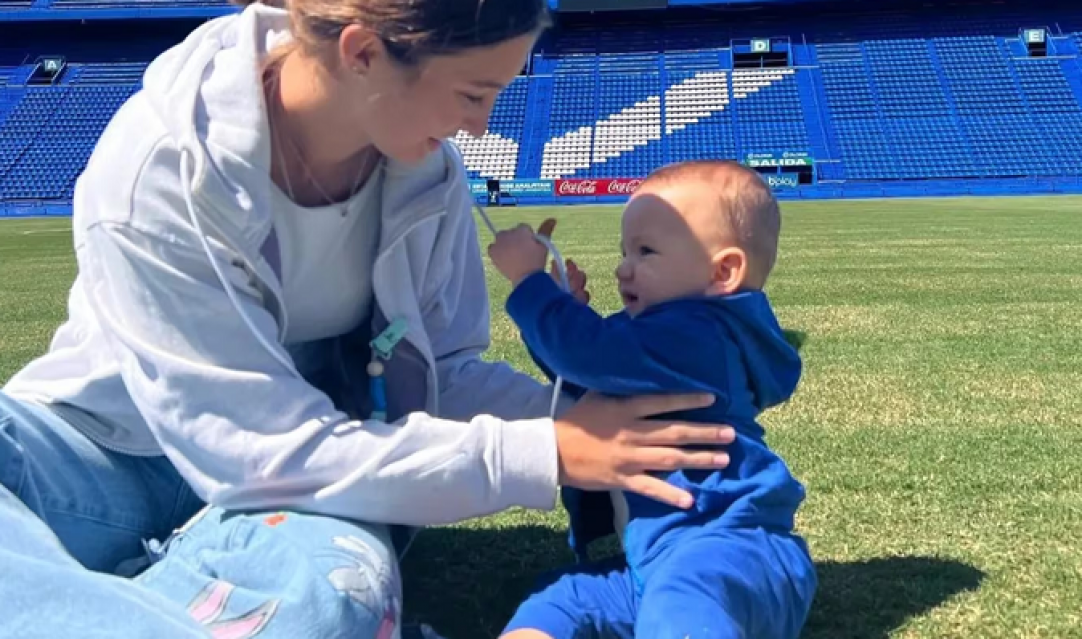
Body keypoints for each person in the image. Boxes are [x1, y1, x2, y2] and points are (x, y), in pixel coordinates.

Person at [0, 2, 739, 637]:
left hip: (302, 488)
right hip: (108, 452)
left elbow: (441, 373)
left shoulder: (430, 175)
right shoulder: (164, 164)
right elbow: (255, 449)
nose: (481, 128)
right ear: (362, 53)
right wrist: (541, 452)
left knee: (331, 604)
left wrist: (587, 418)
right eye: (474, 93)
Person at [486, 160, 818, 639]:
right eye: (625, 250)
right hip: (655, 562)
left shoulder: (702, 335)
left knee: (682, 604)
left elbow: (586, 355)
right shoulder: (663, 338)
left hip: (729, 550)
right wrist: (568, 311)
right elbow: (583, 382)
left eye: (645, 251)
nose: (623, 267)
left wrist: (530, 284)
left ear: (723, 271)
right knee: (562, 596)